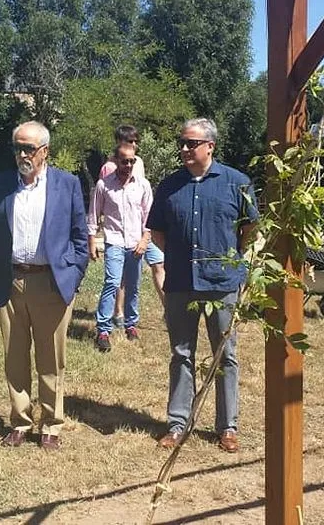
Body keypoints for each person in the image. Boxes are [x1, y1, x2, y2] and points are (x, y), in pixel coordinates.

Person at [0, 121, 89, 451]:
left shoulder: (66, 184)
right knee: (15, 356)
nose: (22, 154)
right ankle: (21, 421)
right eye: (17, 147)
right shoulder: (0, 185)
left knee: (51, 357)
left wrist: (72, 275)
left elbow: (81, 238)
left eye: (28, 148)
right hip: (9, 283)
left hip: (51, 283)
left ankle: (51, 424)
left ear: (45, 151)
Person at [146, 118, 258, 453]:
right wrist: (181, 259)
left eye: (191, 143)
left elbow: (249, 228)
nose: (184, 148)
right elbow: (158, 232)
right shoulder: (169, 186)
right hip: (180, 283)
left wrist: (230, 258)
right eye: (182, 142)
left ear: (210, 146)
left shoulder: (236, 183)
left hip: (222, 283)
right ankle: (178, 424)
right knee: (181, 353)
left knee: (225, 355)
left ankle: (227, 427)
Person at [87, 142, 154, 352]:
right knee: (112, 283)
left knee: (133, 286)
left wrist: (145, 240)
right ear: (115, 160)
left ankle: (131, 325)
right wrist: (91, 240)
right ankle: (104, 330)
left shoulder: (143, 185)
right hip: (114, 241)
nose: (128, 165)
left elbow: (149, 217)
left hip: (136, 242)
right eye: (124, 161)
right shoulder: (103, 185)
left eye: (132, 161)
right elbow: (93, 214)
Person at [97, 126, 166, 327]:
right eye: (130, 141)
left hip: (143, 229)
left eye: (136, 142)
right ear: (119, 142)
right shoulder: (108, 169)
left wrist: (147, 235)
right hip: (120, 234)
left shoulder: (139, 162)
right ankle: (118, 313)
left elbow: (142, 195)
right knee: (119, 278)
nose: (134, 145)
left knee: (159, 264)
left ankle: (169, 311)